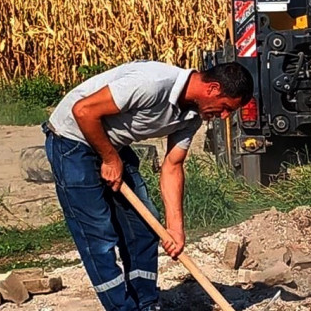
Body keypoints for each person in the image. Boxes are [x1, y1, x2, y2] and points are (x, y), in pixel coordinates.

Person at [42, 60, 253, 310]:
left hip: (112, 144)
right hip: (72, 141)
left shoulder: (192, 116)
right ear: (213, 89)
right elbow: (84, 111)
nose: (225, 116)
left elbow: (173, 166)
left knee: (143, 228)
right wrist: (110, 159)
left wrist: (175, 229)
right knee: (98, 236)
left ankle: (146, 303)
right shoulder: (153, 83)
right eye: (227, 107)